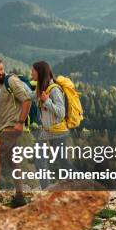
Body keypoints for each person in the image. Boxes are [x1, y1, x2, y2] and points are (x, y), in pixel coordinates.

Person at [0, 56, 32, 206]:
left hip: (12, 126)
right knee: (13, 161)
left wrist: (20, 122)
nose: (0, 73)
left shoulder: (11, 81)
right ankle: (20, 196)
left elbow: (27, 99)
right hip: (2, 127)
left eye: (1, 69)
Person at [30, 61, 71, 189]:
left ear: (40, 73)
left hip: (58, 132)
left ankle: (83, 186)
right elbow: (29, 96)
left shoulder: (54, 90)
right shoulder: (42, 88)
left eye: (33, 71)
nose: (31, 73)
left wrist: (46, 101)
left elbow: (61, 112)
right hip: (47, 132)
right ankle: (46, 190)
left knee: (64, 162)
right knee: (39, 160)